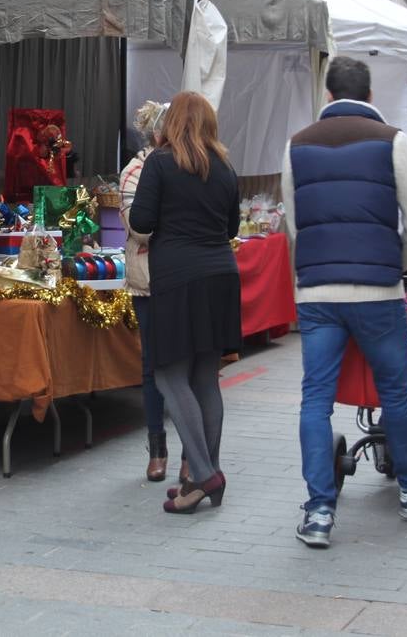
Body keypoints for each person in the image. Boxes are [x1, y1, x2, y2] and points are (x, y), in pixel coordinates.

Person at [280, 58, 407, 548]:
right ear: (370, 93)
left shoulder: (296, 145)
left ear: (328, 90)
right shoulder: (393, 141)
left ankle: (318, 511)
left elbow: (293, 225)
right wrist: (392, 266)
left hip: (317, 292)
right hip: (377, 290)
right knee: (395, 392)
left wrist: (315, 269)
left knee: (315, 399)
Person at [126, 92, 240, 514]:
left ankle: (206, 473)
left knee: (169, 376)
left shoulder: (159, 162)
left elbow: (140, 221)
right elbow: (231, 226)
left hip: (178, 278)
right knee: (205, 378)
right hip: (220, 276)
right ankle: (198, 480)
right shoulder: (225, 165)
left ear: (170, 123)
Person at [119, 100, 172, 482]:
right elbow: (139, 228)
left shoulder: (184, 166)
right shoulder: (133, 172)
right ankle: (157, 446)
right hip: (150, 282)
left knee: (185, 367)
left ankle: (193, 450)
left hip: (180, 278)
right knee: (154, 367)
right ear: (157, 134)